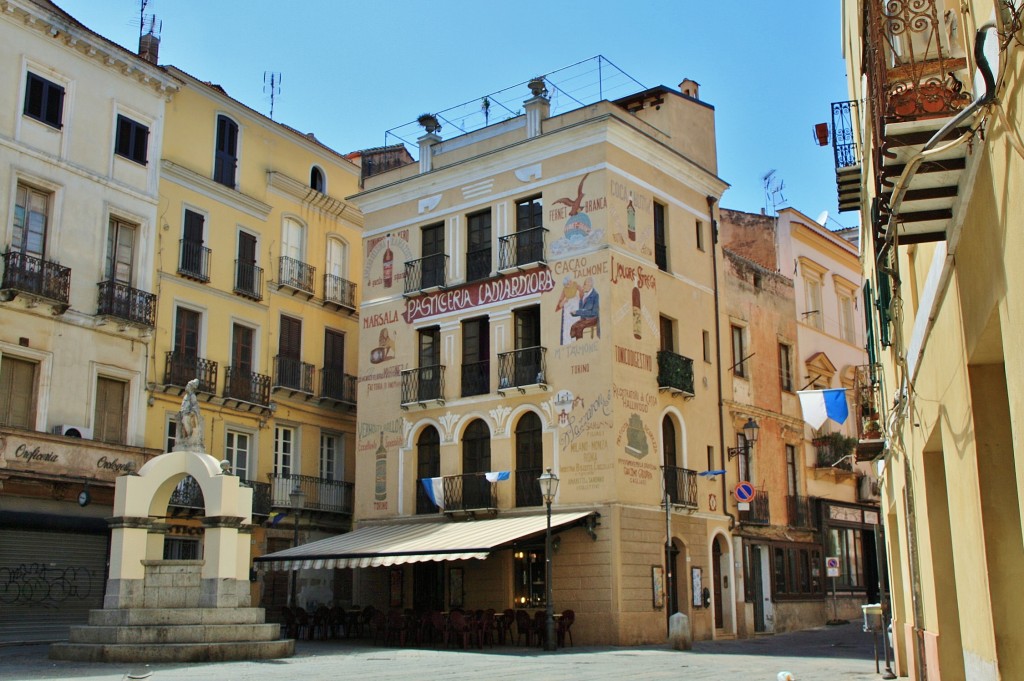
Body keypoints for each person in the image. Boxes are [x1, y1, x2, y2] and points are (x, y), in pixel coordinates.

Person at [175, 378, 204, 451]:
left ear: (191, 388)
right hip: (183, 413)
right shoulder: (186, 396)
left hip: (188, 414)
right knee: (182, 422)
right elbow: (183, 405)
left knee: (185, 421)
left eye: (188, 386)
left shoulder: (192, 396)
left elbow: (195, 405)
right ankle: (184, 437)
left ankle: (189, 435)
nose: (186, 387)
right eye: (187, 385)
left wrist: (192, 412)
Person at [554, 275, 582, 345]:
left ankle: (575, 340)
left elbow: (582, 292)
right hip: (568, 307)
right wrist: (564, 301)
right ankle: (567, 342)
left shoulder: (576, 285)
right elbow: (560, 301)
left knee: (575, 322)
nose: (569, 284)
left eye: (569, 282)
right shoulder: (564, 290)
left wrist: (581, 292)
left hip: (575, 305)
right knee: (567, 325)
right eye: (567, 284)